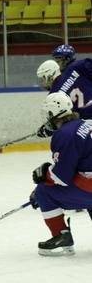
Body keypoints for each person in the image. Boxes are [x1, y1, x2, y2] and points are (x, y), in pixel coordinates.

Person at [29, 91, 92, 256]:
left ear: (53, 113)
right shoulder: (87, 123)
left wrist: (44, 175)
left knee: (43, 190)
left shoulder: (64, 134)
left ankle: (61, 235)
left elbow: (61, 176)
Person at [36, 57, 92, 137]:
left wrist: (48, 129)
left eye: (42, 79)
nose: (42, 83)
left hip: (87, 123)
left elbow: (63, 120)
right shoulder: (75, 67)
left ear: (48, 76)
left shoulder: (54, 95)